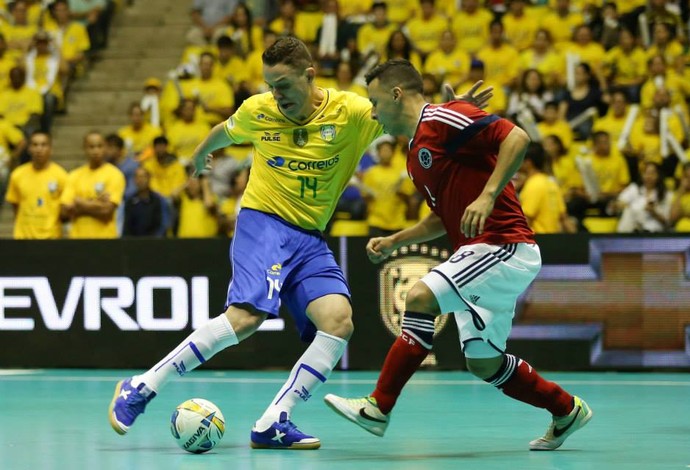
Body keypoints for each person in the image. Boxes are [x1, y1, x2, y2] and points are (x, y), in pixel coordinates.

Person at [108, 37, 490, 450]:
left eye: (284, 85)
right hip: (263, 222)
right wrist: (201, 155)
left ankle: (273, 420)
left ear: (310, 76)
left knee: (338, 321)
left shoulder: (354, 114)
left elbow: (408, 115)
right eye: (270, 85)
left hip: (309, 237)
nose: (277, 95)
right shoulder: (260, 110)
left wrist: (453, 112)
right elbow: (226, 131)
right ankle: (142, 386)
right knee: (247, 316)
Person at [323, 59, 592, 451]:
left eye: (375, 101)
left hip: (503, 244)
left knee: (418, 297)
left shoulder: (441, 119)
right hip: (482, 252)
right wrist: (397, 239)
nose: (374, 112)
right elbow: (442, 217)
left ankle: (378, 407)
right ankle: (566, 409)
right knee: (484, 362)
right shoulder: (415, 156)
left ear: (397, 94)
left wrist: (488, 194)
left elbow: (516, 138)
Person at [5, 131, 67, 239]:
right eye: (35, 145)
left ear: (51, 149)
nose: (39, 149)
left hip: (51, 238)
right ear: (29, 149)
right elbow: (15, 205)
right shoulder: (17, 174)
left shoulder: (61, 176)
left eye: (44, 145)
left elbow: (65, 210)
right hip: (23, 238)